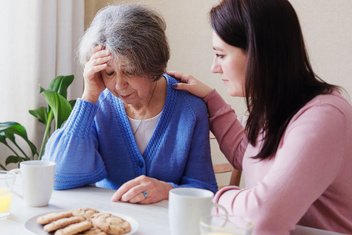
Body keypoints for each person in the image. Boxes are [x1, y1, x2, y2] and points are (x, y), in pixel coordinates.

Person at [169, 0, 352, 234]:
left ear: (259, 53)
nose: (214, 67)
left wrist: (213, 197)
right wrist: (210, 98)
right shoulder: (277, 107)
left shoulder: (324, 117)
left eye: (220, 55)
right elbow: (247, 156)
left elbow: (262, 216)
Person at [42, 3, 218, 205]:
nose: (119, 85)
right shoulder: (98, 104)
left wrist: (168, 190)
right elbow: (58, 177)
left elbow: (205, 189)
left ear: (153, 65)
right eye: (109, 73)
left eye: (130, 71)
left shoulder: (190, 109)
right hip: (108, 221)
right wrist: (89, 96)